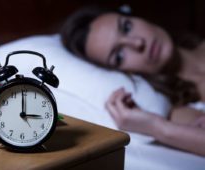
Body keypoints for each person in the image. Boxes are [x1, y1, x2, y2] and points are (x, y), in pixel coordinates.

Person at [60, 6, 205, 156]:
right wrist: (157, 128)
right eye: (119, 56)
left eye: (127, 27)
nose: (137, 43)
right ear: (122, 73)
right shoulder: (183, 113)